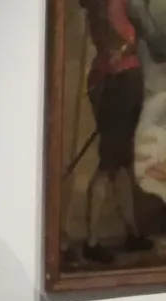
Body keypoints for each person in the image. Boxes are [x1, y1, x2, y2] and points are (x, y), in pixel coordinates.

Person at [79, 0, 152, 263]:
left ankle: (131, 233)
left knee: (120, 163)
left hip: (117, 78)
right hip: (118, 79)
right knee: (110, 163)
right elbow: (124, 40)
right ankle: (92, 241)